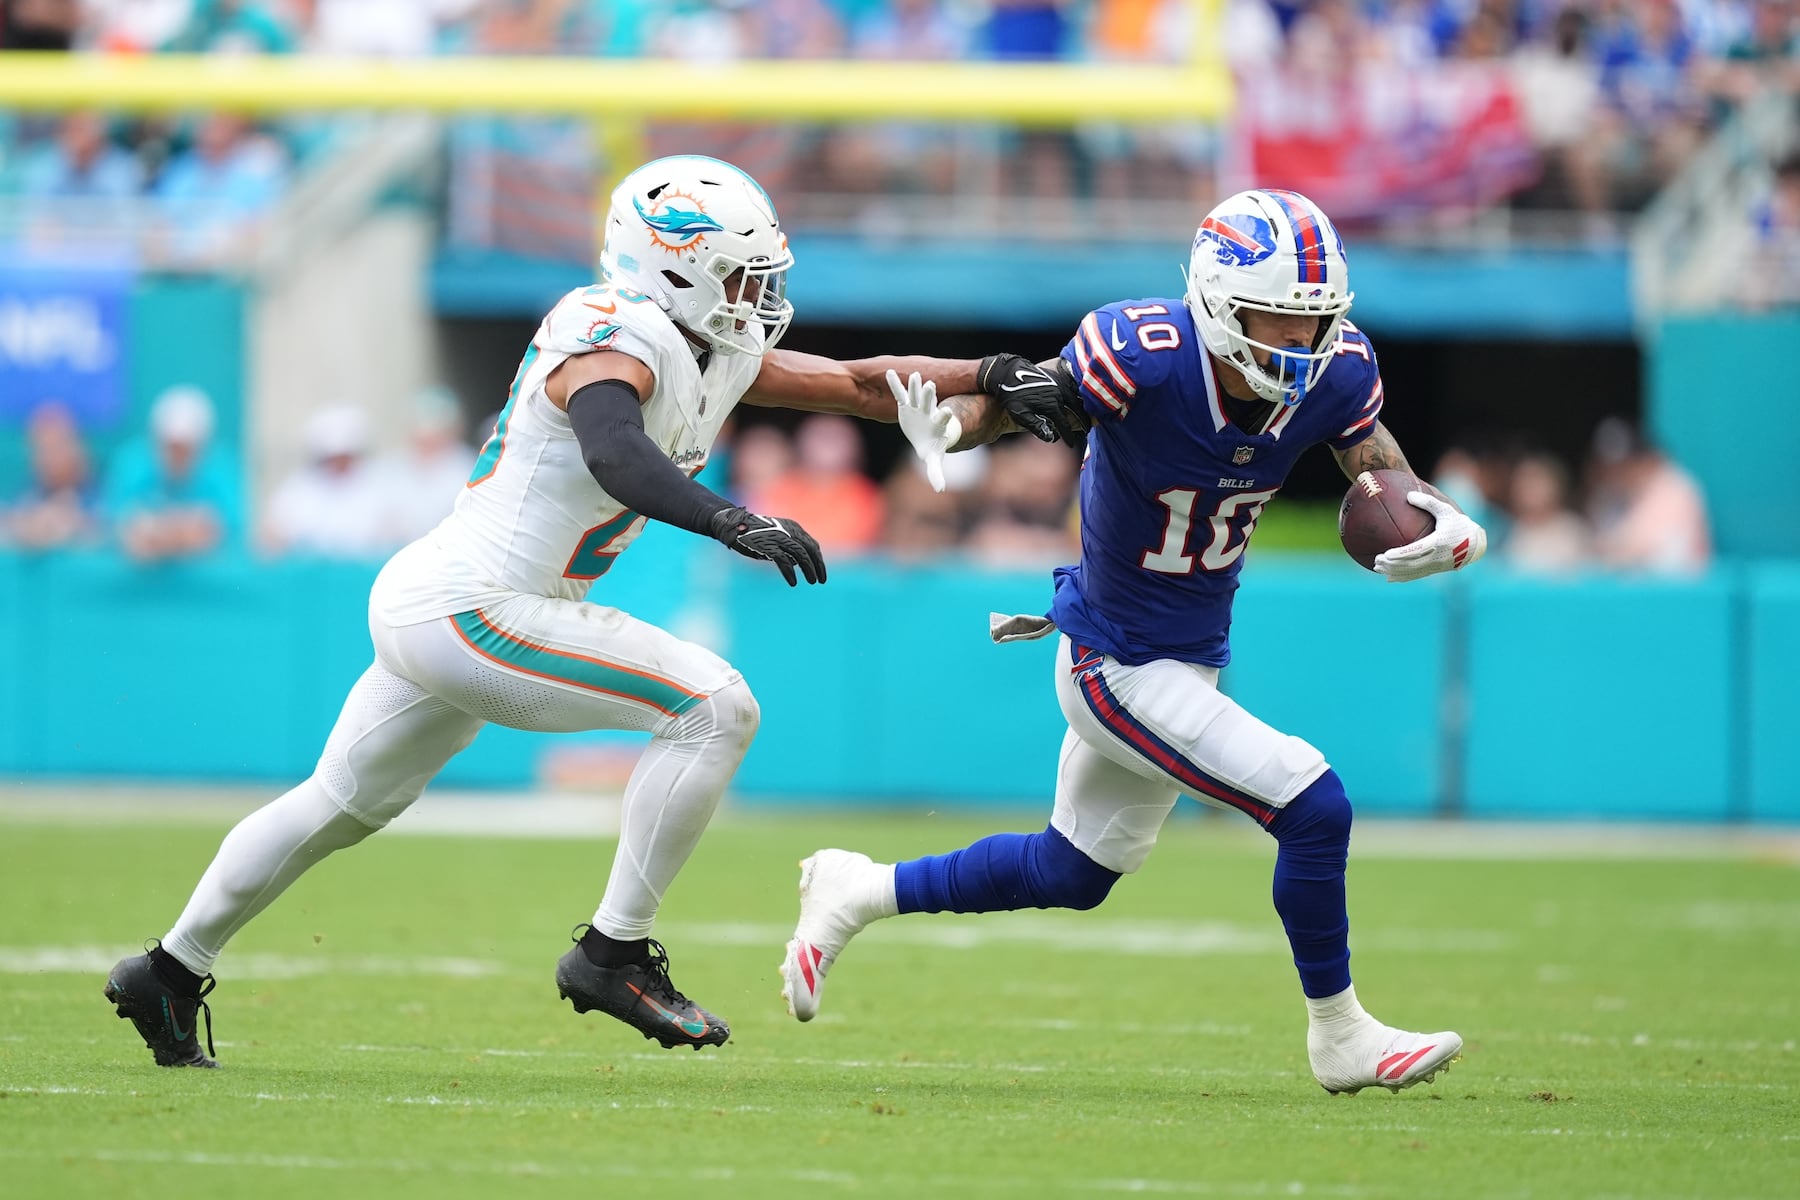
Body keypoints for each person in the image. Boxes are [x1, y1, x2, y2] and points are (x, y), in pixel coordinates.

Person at [102, 154, 1073, 1068]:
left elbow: (865, 384)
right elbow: (614, 447)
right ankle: (612, 954)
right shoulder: (609, 323)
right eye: (740, 278)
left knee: (340, 806)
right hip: (476, 603)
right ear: (676, 270)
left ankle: (168, 970)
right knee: (713, 706)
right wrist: (731, 519)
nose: (759, 299)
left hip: (459, 603)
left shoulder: (712, 346)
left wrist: (994, 374)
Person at [780, 188, 1489, 1097]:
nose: (1301, 345)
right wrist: (951, 432)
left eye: (1315, 323)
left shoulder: (1339, 367)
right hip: (1114, 659)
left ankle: (855, 890)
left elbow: (1374, 461)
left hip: (1188, 652)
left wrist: (1432, 511)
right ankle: (1340, 1034)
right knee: (1314, 805)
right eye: (1280, 318)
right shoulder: (1143, 353)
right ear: (1221, 305)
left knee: (1072, 869)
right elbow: (1022, 400)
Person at [103, 385, 241, 562]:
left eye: (186, 448)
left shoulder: (222, 469)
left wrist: (175, 533)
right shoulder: (132, 465)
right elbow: (118, 523)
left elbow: (229, 528)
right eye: (170, 446)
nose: (177, 455)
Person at [262, 404, 396, 559]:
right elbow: (272, 534)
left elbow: (394, 535)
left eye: (345, 456)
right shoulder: (299, 487)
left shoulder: (381, 485)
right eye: (332, 457)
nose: (338, 463)